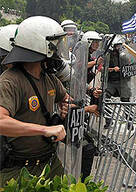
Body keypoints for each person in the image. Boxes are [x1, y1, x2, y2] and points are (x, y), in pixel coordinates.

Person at [0, 16, 68, 187]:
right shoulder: (10, 81)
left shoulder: (49, 78)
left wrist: (66, 106)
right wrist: (44, 129)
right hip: (18, 171)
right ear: (40, 45)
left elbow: (66, 99)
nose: (58, 49)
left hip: (50, 164)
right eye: (55, 44)